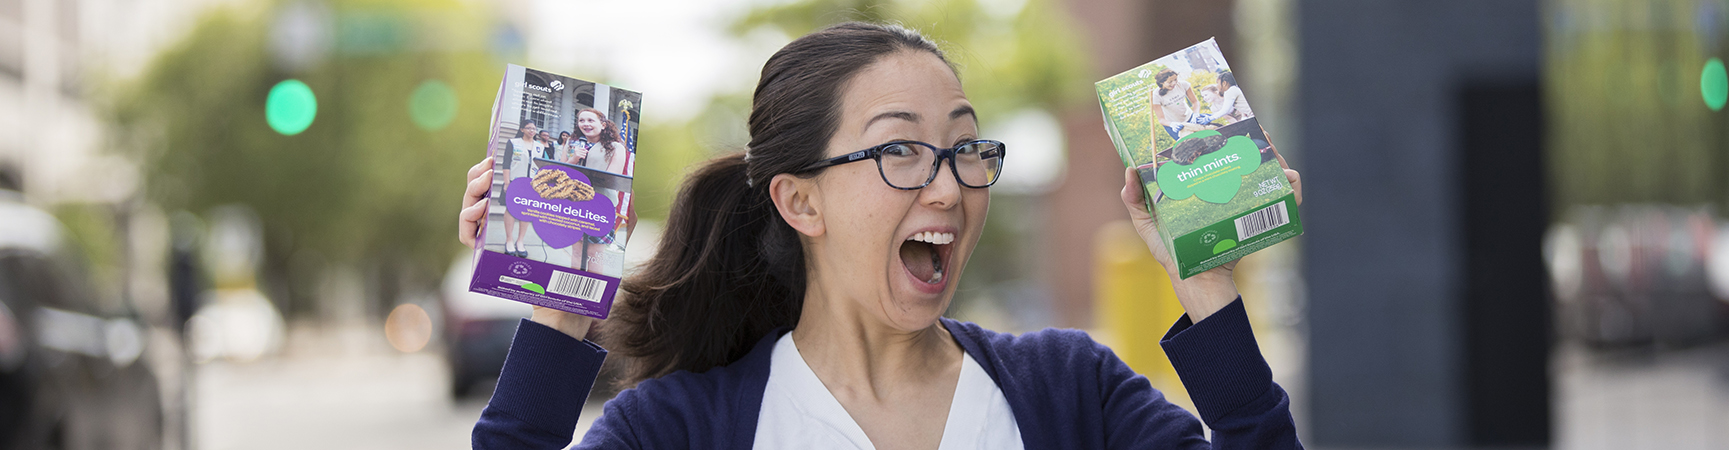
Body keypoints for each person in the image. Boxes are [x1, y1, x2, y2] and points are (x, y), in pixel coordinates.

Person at [458, 22, 1304, 449]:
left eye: (965, 146)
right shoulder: (682, 427)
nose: (947, 183)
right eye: (900, 148)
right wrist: (559, 293)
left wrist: (1208, 283)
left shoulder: (1070, 392)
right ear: (800, 201)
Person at [563, 107, 632, 273]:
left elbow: (611, 178)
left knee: (594, 254)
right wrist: (574, 159)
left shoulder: (616, 147)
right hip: (575, 204)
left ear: (603, 125)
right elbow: (561, 172)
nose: (585, 124)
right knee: (577, 251)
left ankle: (591, 291)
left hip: (600, 206)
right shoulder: (571, 144)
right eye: (581, 120)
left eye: (590, 120)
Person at [503, 120, 547, 258]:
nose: (531, 131)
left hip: (532, 184)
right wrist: (506, 182)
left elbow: (542, 166)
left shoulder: (540, 146)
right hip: (514, 181)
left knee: (526, 212)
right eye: (528, 128)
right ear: (522, 129)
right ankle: (509, 240)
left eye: (534, 128)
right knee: (510, 209)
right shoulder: (513, 142)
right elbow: (506, 162)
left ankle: (520, 241)